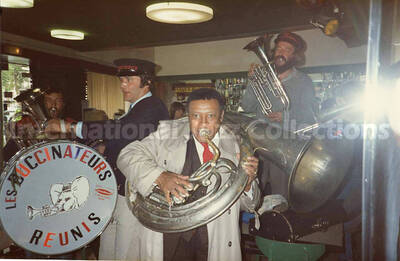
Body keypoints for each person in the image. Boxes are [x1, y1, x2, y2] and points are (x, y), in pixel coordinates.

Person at [45, 58, 169, 260]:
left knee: (125, 253)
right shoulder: (139, 107)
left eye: (129, 79)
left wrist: (70, 126)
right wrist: (106, 147)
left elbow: (120, 130)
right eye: (121, 80)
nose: (122, 85)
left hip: (133, 192)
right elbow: (127, 139)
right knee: (109, 251)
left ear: (146, 82)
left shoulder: (152, 105)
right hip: (119, 191)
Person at [117, 88, 261, 261]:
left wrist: (247, 184)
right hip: (168, 238)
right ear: (188, 116)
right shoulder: (167, 135)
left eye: (210, 116)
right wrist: (160, 176)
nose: (202, 124)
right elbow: (126, 155)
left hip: (215, 240)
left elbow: (251, 204)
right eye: (196, 116)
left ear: (221, 117)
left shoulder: (239, 146)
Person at [240, 31, 316, 198]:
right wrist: (252, 81)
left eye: (287, 49)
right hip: (259, 145)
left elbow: (311, 118)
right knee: (253, 191)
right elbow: (246, 106)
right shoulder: (262, 77)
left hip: (285, 148)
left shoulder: (303, 82)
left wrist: (286, 117)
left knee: (281, 195)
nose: (280, 52)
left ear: (295, 56)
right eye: (278, 48)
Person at [3, 87, 74, 162]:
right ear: (43, 103)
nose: (53, 105)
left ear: (63, 104)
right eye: (49, 100)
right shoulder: (28, 122)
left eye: (58, 100)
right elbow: (7, 154)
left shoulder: (70, 123)